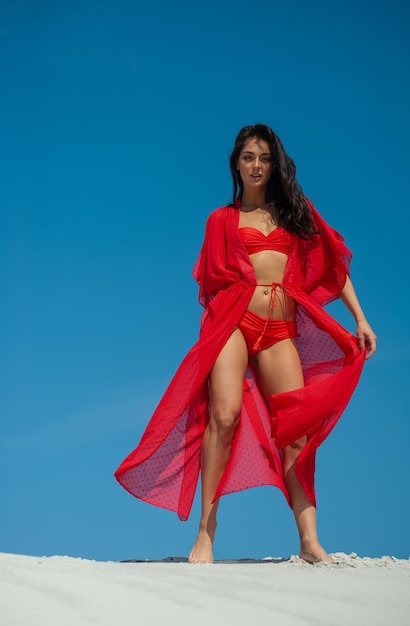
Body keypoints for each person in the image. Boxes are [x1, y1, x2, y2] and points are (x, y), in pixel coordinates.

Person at [115, 124, 377, 564]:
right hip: (234, 322)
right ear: (236, 164)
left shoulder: (294, 214)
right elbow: (212, 283)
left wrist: (361, 318)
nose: (257, 165)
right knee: (225, 414)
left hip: (280, 332)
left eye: (265, 158)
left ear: (275, 166)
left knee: (295, 433)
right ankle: (206, 531)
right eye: (249, 157)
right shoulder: (222, 219)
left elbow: (333, 263)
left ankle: (309, 541)